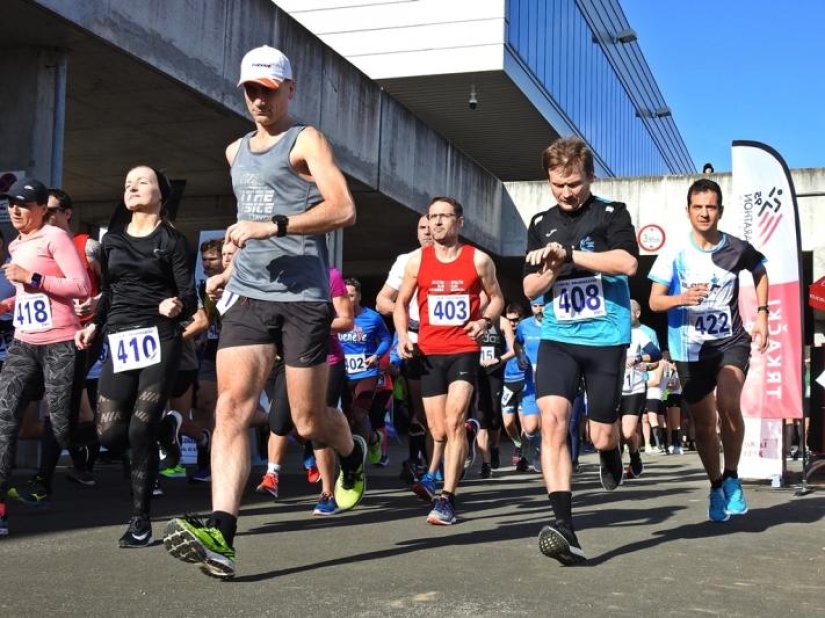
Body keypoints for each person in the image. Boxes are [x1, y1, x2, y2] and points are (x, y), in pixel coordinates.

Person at [162, 45, 361, 579]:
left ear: (289, 90)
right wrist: (232, 263)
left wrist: (273, 226)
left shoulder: (306, 140)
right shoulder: (235, 152)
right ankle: (221, 533)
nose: (258, 99)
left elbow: (343, 208)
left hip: (303, 298)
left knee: (306, 421)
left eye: (268, 90)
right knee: (231, 406)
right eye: (250, 90)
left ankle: (351, 447)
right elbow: (247, 214)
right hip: (250, 293)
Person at [523, 136, 638, 564]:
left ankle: (611, 450)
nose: (566, 193)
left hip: (606, 338)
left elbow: (627, 263)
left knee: (599, 432)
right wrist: (550, 270)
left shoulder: (611, 214)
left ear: (589, 176)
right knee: (553, 422)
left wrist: (570, 254)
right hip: (558, 337)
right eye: (557, 185)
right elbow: (529, 287)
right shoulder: (539, 222)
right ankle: (563, 526)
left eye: (573, 183)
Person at [75, 165, 196, 546]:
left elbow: (190, 296)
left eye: (142, 181)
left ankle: (140, 520)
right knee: (110, 433)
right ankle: (165, 429)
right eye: (128, 182)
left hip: (160, 337)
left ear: (161, 193)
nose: (133, 186)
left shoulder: (173, 240)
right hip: (122, 339)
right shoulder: (111, 240)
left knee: (138, 429)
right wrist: (95, 323)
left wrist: (176, 305)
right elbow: (109, 293)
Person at [648, 177, 769, 523]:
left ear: (720, 211)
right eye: (698, 207)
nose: (704, 213)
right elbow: (655, 301)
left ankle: (732, 476)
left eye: (710, 207)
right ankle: (716, 484)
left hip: (730, 342)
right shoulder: (673, 253)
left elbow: (760, 272)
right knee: (703, 424)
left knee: (729, 404)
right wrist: (682, 298)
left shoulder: (735, 247)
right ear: (688, 211)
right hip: (689, 349)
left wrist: (763, 316)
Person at [394, 196, 504, 525]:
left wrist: (484, 322)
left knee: (453, 420)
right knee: (438, 429)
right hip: (428, 352)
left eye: (444, 216)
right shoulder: (417, 262)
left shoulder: (478, 260)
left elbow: (497, 298)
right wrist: (402, 336)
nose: (437, 223)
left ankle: (447, 498)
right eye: (432, 217)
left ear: (460, 222)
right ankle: (465, 438)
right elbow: (401, 304)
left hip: (463, 349)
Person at [0, 177, 90, 537]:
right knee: (4, 419)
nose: (16, 211)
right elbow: (30, 296)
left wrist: (32, 277)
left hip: (60, 344)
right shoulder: (15, 244)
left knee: (63, 427)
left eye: (23, 205)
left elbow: (80, 286)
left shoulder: (56, 237)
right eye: (11, 205)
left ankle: (98, 445)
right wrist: (10, 302)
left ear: (42, 209)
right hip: (23, 343)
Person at [376, 215, 434, 484]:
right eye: (421, 227)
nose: (427, 232)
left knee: (446, 411)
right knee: (420, 410)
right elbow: (382, 301)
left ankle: (436, 464)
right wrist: (412, 322)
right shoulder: (407, 260)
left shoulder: (461, 258)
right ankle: (423, 463)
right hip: (415, 344)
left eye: (431, 226)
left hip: (450, 344)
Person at [618, 300, 661, 479]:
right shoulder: (606, 330)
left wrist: (638, 360)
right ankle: (615, 465)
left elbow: (656, 358)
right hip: (610, 387)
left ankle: (634, 455)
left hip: (635, 386)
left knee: (628, 432)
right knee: (611, 432)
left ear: (637, 314)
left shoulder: (643, 333)